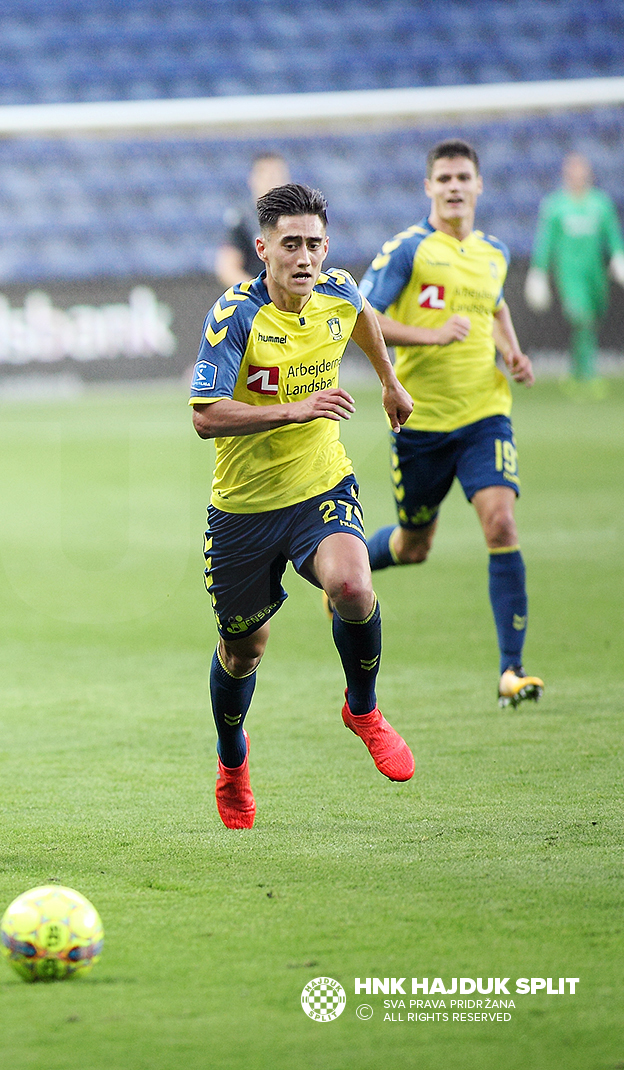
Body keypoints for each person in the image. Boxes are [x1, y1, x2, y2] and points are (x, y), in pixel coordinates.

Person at [189, 182, 416, 830]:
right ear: (263, 249)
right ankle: (233, 758)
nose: (305, 256)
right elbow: (206, 417)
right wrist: (295, 408)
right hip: (244, 510)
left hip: (320, 486)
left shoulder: (340, 291)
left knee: (351, 582)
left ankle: (363, 709)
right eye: (291, 244)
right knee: (244, 649)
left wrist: (391, 383)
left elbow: (364, 317)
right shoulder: (236, 315)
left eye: (315, 243)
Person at [357, 139, 543, 709]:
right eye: (444, 178)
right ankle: (346, 568)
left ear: (479, 185)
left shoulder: (495, 252)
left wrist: (510, 351)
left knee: (501, 524)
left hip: (485, 416)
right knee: (415, 545)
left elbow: (496, 303)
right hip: (420, 423)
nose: (455, 186)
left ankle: (510, 671)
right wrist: (431, 334)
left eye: (464, 176)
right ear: (429, 188)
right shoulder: (411, 249)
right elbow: (362, 313)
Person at [526, 152, 624, 395]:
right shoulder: (556, 205)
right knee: (581, 317)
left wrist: (618, 256)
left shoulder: (600, 203)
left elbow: (611, 235)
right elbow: (545, 241)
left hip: (595, 274)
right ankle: (587, 375)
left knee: (592, 318)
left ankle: (576, 372)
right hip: (570, 274)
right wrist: (539, 271)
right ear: (566, 175)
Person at [215, 152, 289, 289]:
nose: (271, 181)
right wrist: (258, 291)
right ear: (253, 179)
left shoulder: (298, 219)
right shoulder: (242, 220)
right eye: (265, 175)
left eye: (276, 175)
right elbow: (227, 267)